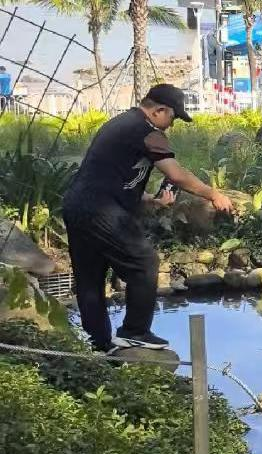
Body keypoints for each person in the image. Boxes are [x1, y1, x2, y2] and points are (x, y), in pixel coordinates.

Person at [62, 84, 234, 352]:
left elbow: (109, 176)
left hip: (78, 205)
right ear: (159, 110)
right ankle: (135, 331)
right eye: (172, 118)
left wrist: (150, 200)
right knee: (144, 262)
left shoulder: (122, 124)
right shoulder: (146, 130)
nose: (171, 125)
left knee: (91, 278)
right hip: (100, 208)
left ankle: (99, 345)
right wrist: (213, 194)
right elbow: (176, 175)